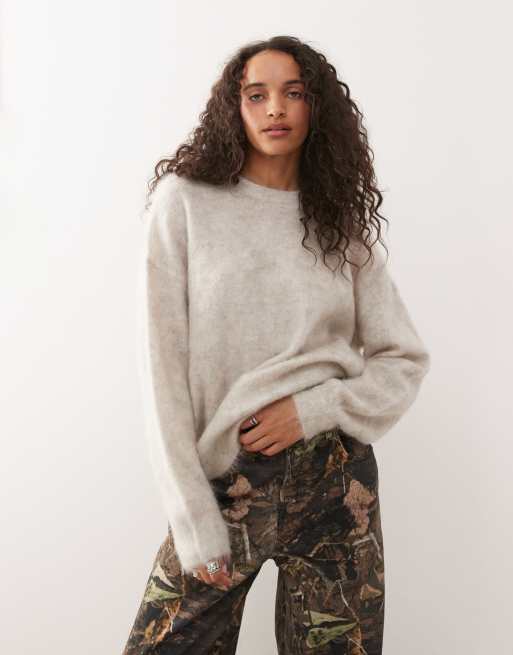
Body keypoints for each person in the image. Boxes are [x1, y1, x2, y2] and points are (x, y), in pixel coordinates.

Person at [122, 35, 430, 655]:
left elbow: (403, 358)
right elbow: (162, 371)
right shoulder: (186, 204)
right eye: (256, 95)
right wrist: (192, 514)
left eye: (293, 93)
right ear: (233, 108)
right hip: (228, 477)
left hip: (335, 480)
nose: (275, 109)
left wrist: (315, 408)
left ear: (317, 106)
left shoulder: (338, 221)